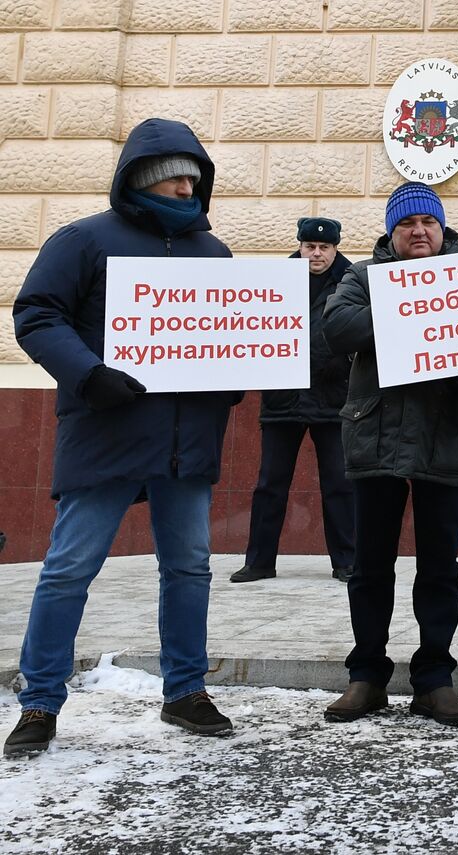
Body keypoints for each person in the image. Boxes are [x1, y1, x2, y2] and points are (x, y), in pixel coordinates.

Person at [5, 118, 241, 758]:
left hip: (185, 440)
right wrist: (89, 374)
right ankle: (40, 701)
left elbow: (228, 332)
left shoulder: (214, 254)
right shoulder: (83, 240)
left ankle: (186, 691)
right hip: (105, 433)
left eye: (195, 174)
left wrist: (236, 374)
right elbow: (35, 315)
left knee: (189, 567)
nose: (187, 184)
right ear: (139, 178)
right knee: (69, 568)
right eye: (174, 173)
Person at [320, 182, 458, 727]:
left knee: (440, 567)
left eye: (428, 223)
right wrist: (419, 314)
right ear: (390, 233)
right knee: (369, 566)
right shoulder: (361, 277)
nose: (418, 232)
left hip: (442, 438)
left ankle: (435, 680)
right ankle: (366, 676)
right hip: (373, 438)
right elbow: (337, 326)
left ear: (442, 230)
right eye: (406, 224)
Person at [231, 217, 355, 584]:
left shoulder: (352, 280)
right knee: (270, 483)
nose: (316, 254)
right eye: (309, 247)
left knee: (339, 484)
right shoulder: (275, 282)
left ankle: (347, 562)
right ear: (299, 246)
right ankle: (259, 562)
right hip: (283, 399)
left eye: (324, 248)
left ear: (335, 248)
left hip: (334, 398)